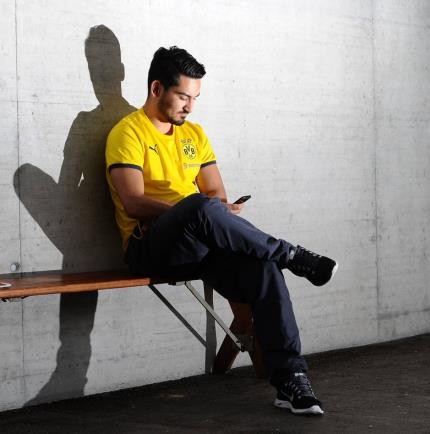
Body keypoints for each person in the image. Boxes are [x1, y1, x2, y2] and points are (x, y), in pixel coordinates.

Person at [105, 46, 337, 416]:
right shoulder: (128, 132)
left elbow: (216, 193)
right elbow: (133, 202)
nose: (190, 107)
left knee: (264, 268)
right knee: (199, 207)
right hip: (150, 246)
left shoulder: (194, 135)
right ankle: (291, 254)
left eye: (195, 98)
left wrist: (212, 211)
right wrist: (194, 211)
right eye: (183, 96)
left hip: (200, 245)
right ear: (156, 89)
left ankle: (291, 379)